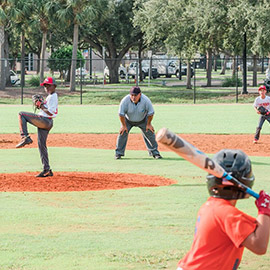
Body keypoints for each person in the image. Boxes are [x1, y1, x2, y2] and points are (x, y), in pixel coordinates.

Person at [176, 149, 270, 270]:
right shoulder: (227, 214)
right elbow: (259, 246)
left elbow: (254, 230)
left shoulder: (211, 206)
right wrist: (264, 210)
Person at [16, 77, 58, 177]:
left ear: (54, 86)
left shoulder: (53, 97)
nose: (46, 87)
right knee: (41, 146)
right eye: (45, 86)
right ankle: (46, 169)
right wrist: (42, 104)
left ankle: (25, 137)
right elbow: (46, 109)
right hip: (45, 122)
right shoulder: (50, 96)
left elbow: (52, 113)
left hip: (45, 121)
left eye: (48, 85)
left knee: (22, 114)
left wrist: (41, 106)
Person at [115, 86, 162, 159]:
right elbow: (121, 114)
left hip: (143, 119)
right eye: (132, 95)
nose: (133, 97)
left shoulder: (146, 100)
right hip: (128, 120)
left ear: (140, 94)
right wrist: (123, 126)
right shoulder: (125, 101)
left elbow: (151, 113)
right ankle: (118, 153)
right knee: (122, 133)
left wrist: (149, 124)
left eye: (135, 95)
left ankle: (155, 153)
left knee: (150, 132)